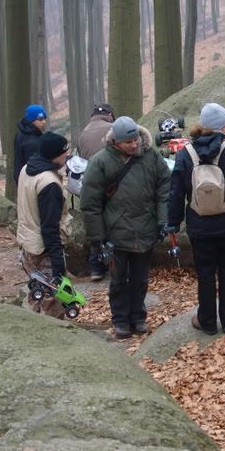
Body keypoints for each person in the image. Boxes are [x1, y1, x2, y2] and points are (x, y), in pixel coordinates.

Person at [80, 116, 170, 339]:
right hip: (115, 232)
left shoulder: (151, 157)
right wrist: (97, 238)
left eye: (136, 140)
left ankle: (138, 317)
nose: (134, 145)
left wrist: (163, 219)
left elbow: (165, 187)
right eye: (128, 142)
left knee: (140, 279)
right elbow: (90, 204)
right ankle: (120, 320)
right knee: (119, 280)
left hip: (145, 228)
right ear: (115, 142)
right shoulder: (100, 162)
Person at [166, 103, 225, 335]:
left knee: (205, 273)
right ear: (224, 125)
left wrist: (173, 222)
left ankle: (207, 321)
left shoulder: (184, 154)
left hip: (200, 224)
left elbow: (176, 192)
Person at [16, 131, 72, 317]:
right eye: (65, 151)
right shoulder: (49, 184)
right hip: (43, 249)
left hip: (28, 242)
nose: (67, 154)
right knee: (52, 299)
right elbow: (50, 227)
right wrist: (58, 264)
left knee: (37, 294)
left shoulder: (28, 168)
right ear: (54, 154)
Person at [77, 103, 116, 282]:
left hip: (89, 184)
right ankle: (117, 264)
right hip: (112, 184)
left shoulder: (83, 133)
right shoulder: (113, 128)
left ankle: (96, 267)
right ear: (110, 115)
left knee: (94, 224)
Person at [14, 104, 48, 184]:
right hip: (31, 183)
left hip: (22, 181)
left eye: (44, 118)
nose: (44, 122)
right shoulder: (32, 142)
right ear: (31, 120)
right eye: (40, 119)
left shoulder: (21, 134)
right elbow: (36, 168)